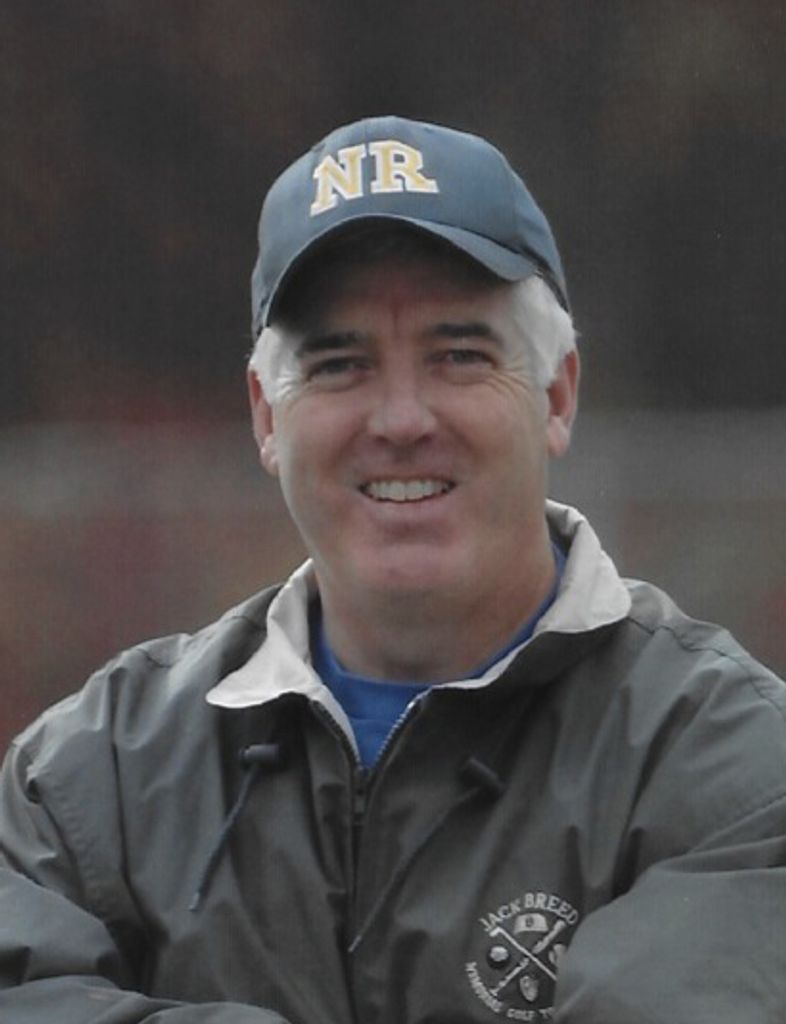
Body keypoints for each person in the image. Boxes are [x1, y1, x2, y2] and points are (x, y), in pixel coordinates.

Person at [1, 115, 785, 1024]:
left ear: (558, 394)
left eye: (460, 356)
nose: (402, 419)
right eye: (341, 365)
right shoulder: (89, 778)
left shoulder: (728, 764)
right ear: (266, 417)